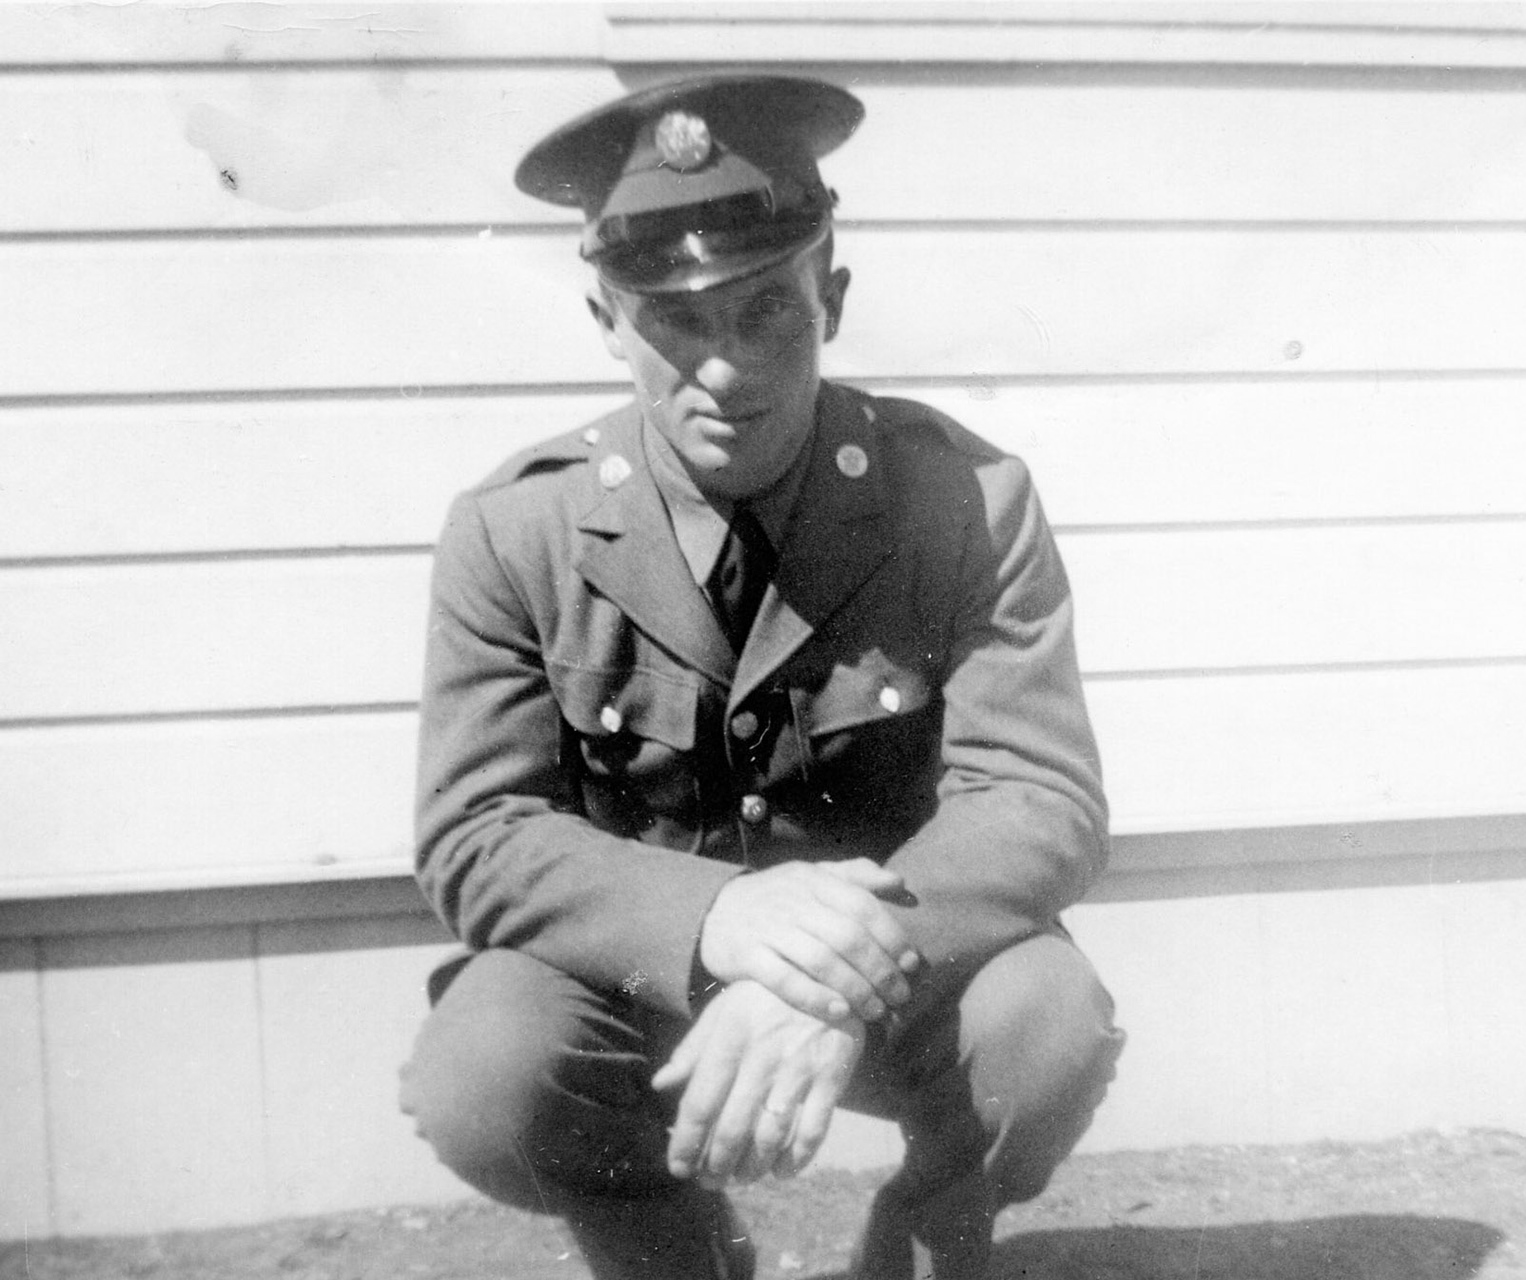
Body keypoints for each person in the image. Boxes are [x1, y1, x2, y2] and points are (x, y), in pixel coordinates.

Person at [399, 73, 1124, 1280]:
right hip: (643, 990)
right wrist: (720, 922)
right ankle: (678, 1255)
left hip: (900, 979)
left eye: (765, 312)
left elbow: (1043, 799)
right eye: (675, 321)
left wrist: (823, 980)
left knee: (1049, 1022)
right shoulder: (514, 530)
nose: (723, 370)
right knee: (481, 1072)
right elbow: (474, 830)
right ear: (605, 317)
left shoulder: (962, 500)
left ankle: (920, 1238)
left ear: (831, 298)